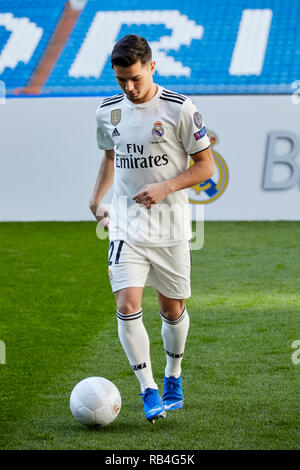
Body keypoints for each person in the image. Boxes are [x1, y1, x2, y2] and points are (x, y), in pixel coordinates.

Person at [89, 34, 214, 423]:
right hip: (126, 226)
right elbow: (111, 156)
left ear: (152, 67)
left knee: (171, 308)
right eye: (121, 80)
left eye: (135, 79)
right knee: (127, 304)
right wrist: (96, 199)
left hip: (171, 226)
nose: (128, 87)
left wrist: (164, 187)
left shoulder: (180, 108)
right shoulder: (107, 111)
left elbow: (206, 166)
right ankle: (148, 390)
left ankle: (173, 376)